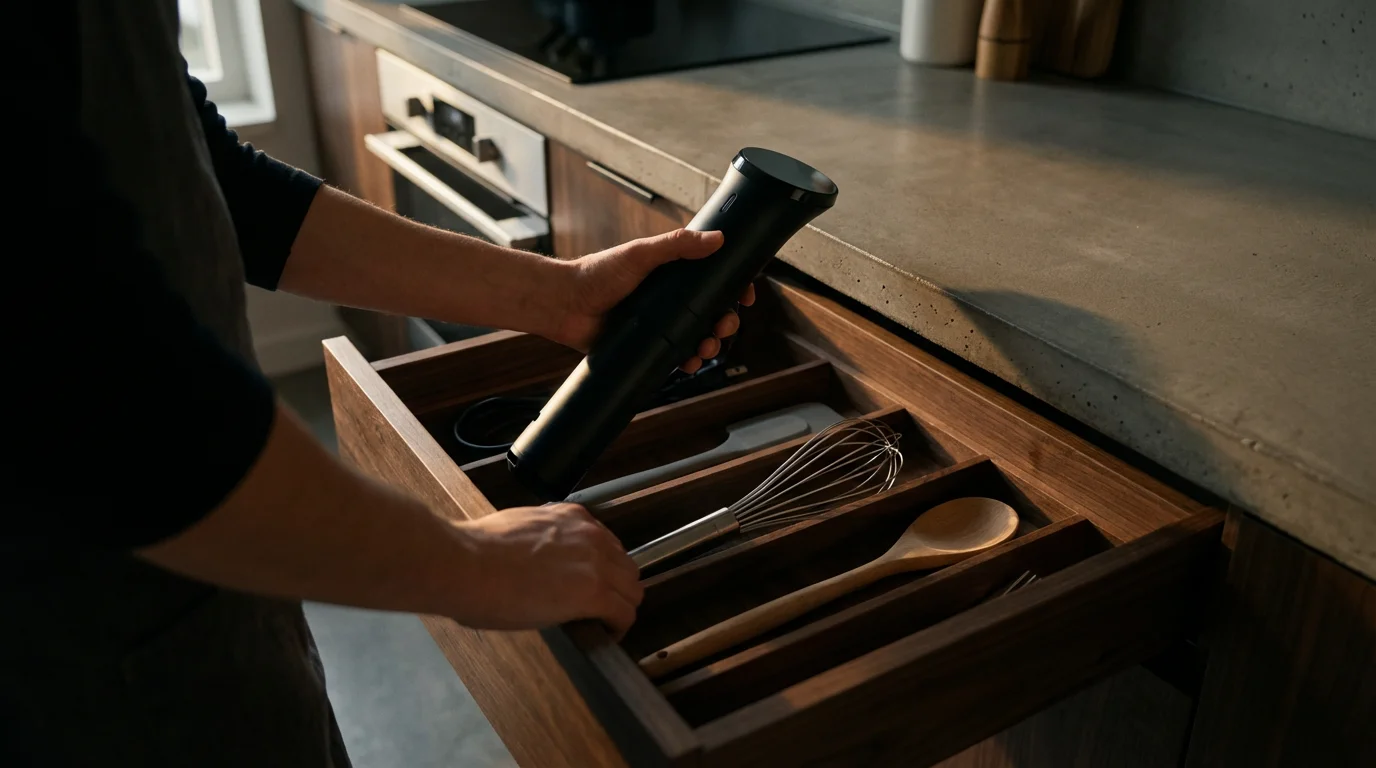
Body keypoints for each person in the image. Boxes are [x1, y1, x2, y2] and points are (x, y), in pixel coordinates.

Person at [7, 4, 751, 766]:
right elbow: (100, 400)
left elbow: (207, 173)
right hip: (81, 674)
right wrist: (481, 569)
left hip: (212, 611)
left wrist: (559, 296)